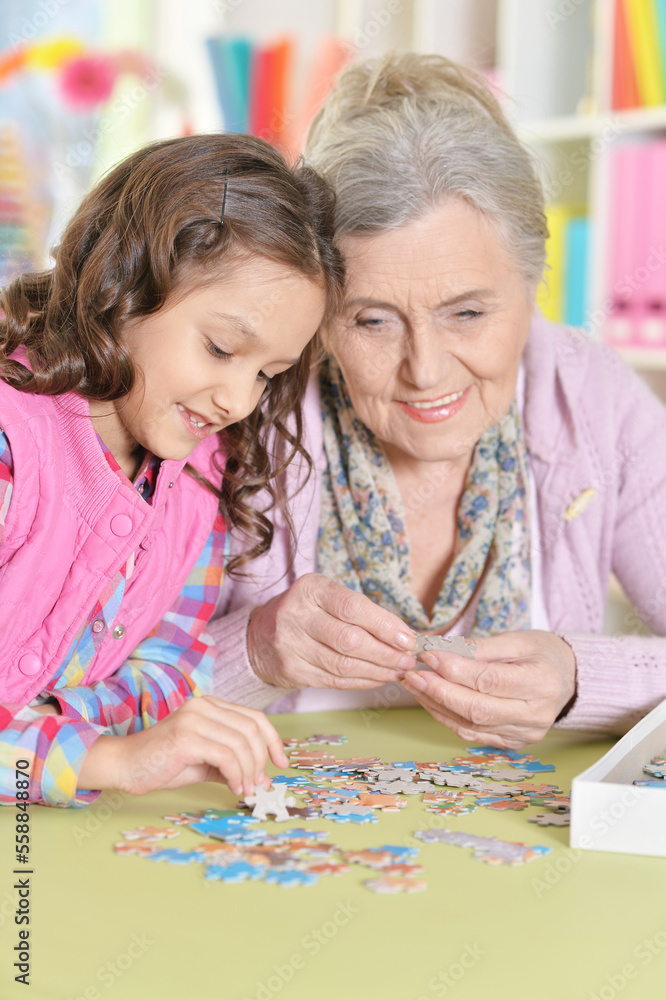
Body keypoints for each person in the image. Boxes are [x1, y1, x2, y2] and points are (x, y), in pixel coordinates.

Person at [209, 54, 666, 746]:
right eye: (372, 320)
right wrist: (254, 650)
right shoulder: (236, 410)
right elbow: (88, 692)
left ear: (533, 287)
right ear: (322, 312)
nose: (424, 371)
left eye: (467, 314)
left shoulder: (595, 400)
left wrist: (582, 677)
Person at [0, 132, 344, 806]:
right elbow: (128, 736)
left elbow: (170, 667)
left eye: (267, 374)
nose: (239, 400)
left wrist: (48, 731)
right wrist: (108, 758)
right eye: (220, 348)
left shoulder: (200, 476)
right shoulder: (12, 446)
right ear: (120, 285)